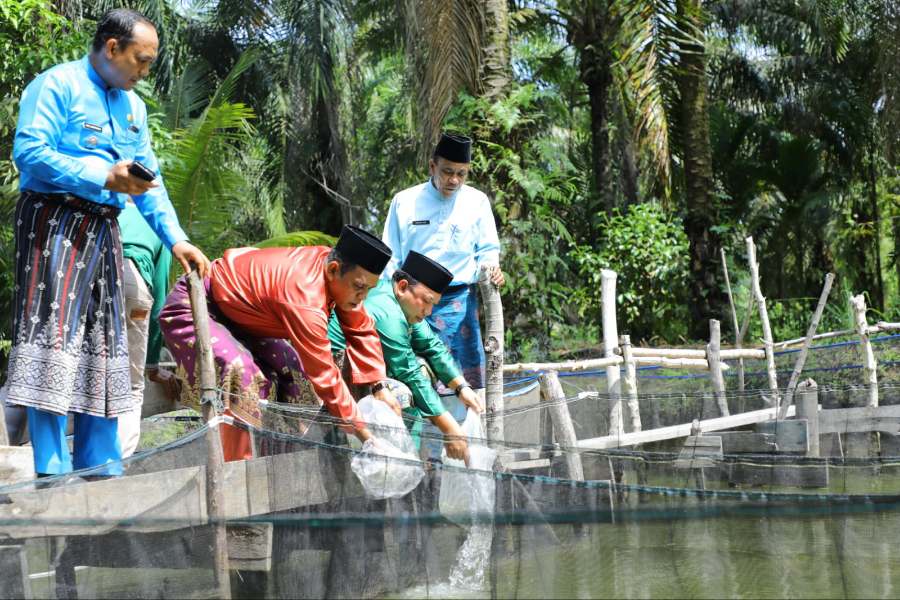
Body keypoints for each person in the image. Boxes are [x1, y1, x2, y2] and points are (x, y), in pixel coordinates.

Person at [6, 8, 208, 478]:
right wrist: (101, 173)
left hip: (103, 230)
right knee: (53, 340)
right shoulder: (56, 85)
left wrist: (176, 240)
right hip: (52, 222)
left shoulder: (133, 108)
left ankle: (101, 464)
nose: (145, 71)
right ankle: (52, 469)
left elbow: (148, 182)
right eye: (141, 60)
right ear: (112, 48)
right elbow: (29, 151)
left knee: (104, 341)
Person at [159, 225, 400, 462]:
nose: (363, 297)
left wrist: (379, 387)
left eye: (369, 289)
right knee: (240, 373)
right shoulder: (305, 297)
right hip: (196, 303)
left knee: (295, 372)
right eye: (359, 287)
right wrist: (366, 435)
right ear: (333, 269)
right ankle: (237, 472)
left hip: (245, 322)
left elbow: (360, 328)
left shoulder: (335, 273)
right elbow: (326, 376)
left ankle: (280, 466)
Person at [382, 132, 504, 402]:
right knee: (413, 375)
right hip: (412, 303)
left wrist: (492, 267)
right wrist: (392, 300)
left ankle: (465, 436)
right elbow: (391, 256)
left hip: (460, 305)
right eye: (448, 171)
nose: (454, 180)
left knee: (466, 385)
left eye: (462, 173)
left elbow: (487, 250)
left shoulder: (477, 202)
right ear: (432, 166)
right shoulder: (405, 201)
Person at [329, 251, 483, 461]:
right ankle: (391, 457)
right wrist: (451, 429)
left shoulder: (404, 306)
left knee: (423, 365)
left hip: (365, 369)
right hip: (336, 368)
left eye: (432, 305)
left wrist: (461, 388)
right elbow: (408, 371)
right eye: (426, 301)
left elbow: (432, 345)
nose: (428, 311)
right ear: (402, 287)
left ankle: (406, 458)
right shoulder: (388, 313)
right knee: (408, 384)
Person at [118, 199, 180, 457]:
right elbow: (159, 305)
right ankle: (119, 461)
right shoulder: (159, 223)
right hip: (134, 288)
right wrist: (152, 367)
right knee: (133, 385)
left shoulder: (108, 208)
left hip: (95, 279)